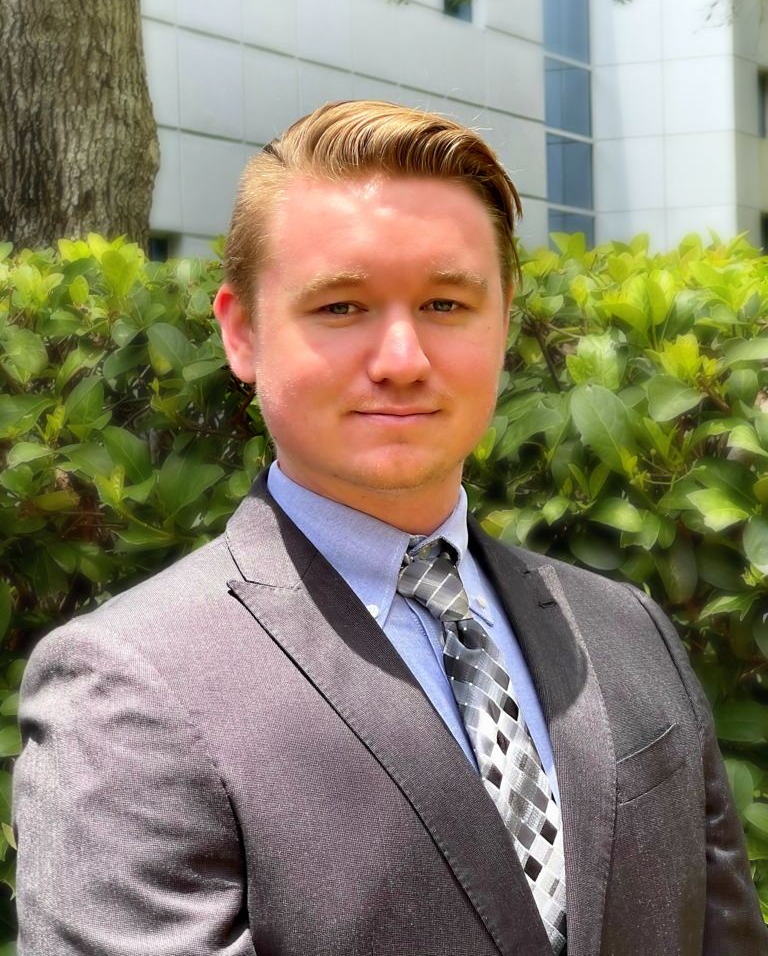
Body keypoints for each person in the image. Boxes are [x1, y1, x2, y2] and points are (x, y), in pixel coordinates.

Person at [13, 100, 767, 956]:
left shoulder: (629, 630)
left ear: (504, 321)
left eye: (447, 304)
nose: (403, 359)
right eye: (340, 307)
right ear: (241, 332)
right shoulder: (130, 690)